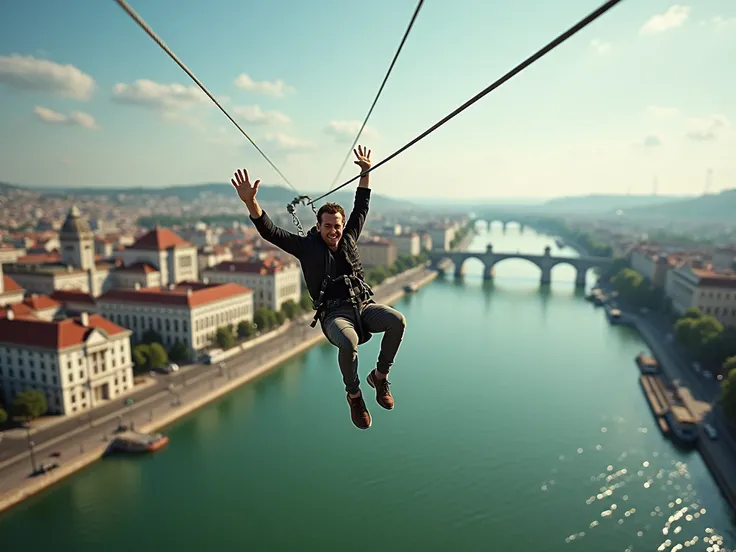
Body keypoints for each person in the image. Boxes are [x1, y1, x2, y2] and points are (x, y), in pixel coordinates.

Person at [230, 145, 407, 430]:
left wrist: (365, 173)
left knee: (397, 321)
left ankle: (380, 376)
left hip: (363, 307)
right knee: (348, 342)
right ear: (319, 225)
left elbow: (361, 206)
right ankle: (354, 395)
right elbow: (270, 231)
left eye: (337, 225)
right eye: (328, 226)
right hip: (335, 315)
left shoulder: (349, 237)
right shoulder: (306, 247)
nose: (334, 231)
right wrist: (251, 203)